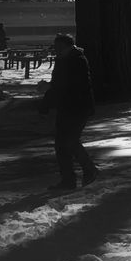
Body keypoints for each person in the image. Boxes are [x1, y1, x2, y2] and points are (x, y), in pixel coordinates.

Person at [38, 33, 98, 190]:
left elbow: (67, 86)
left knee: (68, 141)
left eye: (57, 46)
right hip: (68, 107)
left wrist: (48, 92)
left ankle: (87, 170)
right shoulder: (66, 59)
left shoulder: (75, 61)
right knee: (63, 143)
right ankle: (70, 179)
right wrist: (48, 100)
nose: (55, 49)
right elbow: (60, 85)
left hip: (77, 107)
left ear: (65, 46)